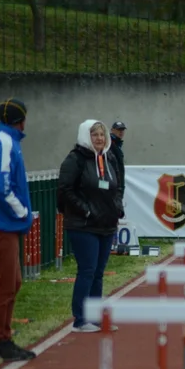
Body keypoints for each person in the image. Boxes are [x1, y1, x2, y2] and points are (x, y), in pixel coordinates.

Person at [0, 98, 36, 362]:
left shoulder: (3, 140)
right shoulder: (4, 142)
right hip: (1, 223)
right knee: (6, 283)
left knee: (13, 282)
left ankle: (1, 336)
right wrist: (22, 212)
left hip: (3, 222)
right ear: (21, 120)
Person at [58, 120, 124, 333]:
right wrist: (85, 209)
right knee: (87, 270)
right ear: (86, 136)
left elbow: (118, 186)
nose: (99, 139)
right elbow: (65, 190)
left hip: (106, 223)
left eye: (102, 135)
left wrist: (117, 207)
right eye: (94, 134)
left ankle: (95, 317)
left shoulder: (109, 157)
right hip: (83, 224)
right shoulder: (75, 159)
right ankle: (80, 319)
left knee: (98, 272)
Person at [109, 121, 126, 195]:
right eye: (118, 130)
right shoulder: (109, 144)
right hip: (113, 184)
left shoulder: (116, 144)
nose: (121, 132)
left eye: (122, 130)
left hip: (117, 184)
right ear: (112, 130)